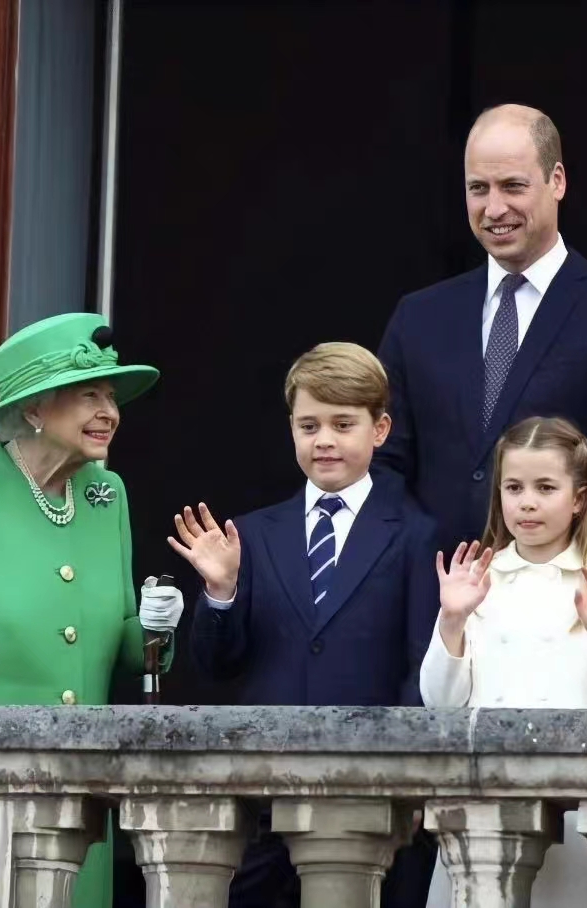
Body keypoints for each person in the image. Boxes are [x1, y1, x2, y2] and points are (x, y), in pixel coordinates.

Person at [0, 312, 183, 908]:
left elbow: (123, 643)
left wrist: (156, 626)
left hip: (79, 802)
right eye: (89, 394)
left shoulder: (104, 493)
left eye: (112, 397)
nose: (108, 412)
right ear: (36, 408)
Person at [174, 342, 441, 908]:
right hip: (263, 795)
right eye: (309, 424)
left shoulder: (415, 533)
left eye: (344, 424)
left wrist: (409, 781)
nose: (324, 440)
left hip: (369, 793)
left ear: (381, 429)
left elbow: (421, 665)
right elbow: (217, 665)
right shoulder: (252, 533)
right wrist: (220, 591)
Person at [377, 104, 587, 557]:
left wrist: (525, 559)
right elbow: (386, 457)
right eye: (478, 189)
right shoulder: (418, 315)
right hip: (435, 588)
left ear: (557, 181)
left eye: (513, 186)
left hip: (561, 595)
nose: (495, 208)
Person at [420, 416, 587, 907]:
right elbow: (440, 704)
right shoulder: (477, 577)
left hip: (575, 810)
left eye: (545, 487)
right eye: (514, 487)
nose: (527, 501)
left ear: (578, 497)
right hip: (485, 801)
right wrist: (452, 621)